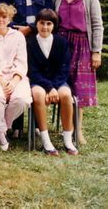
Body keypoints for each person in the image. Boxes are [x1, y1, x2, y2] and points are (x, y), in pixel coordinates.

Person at [53, 0, 103, 144]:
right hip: (62, 45)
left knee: (79, 91)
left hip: (82, 45)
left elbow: (97, 25)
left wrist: (96, 51)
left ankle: (78, 130)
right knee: (62, 85)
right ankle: (66, 126)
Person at [0, 3, 32, 151]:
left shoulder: (18, 37)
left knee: (22, 99)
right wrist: (1, 81)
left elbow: (21, 61)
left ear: (9, 19)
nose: (0, 20)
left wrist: (14, 81)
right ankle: (0, 133)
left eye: (4, 17)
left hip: (17, 77)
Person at [27, 9, 78, 155]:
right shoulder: (29, 43)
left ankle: (68, 139)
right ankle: (46, 140)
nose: (45, 27)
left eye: (49, 24)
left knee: (67, 95)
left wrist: (54, 87)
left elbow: (64, 68)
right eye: (41, 23)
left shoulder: (61, 42)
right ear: (36, 24)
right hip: (38, 81)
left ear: (54, 26)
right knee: (37, 95)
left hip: (58, 81)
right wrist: (48, 88)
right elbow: (32, 70)